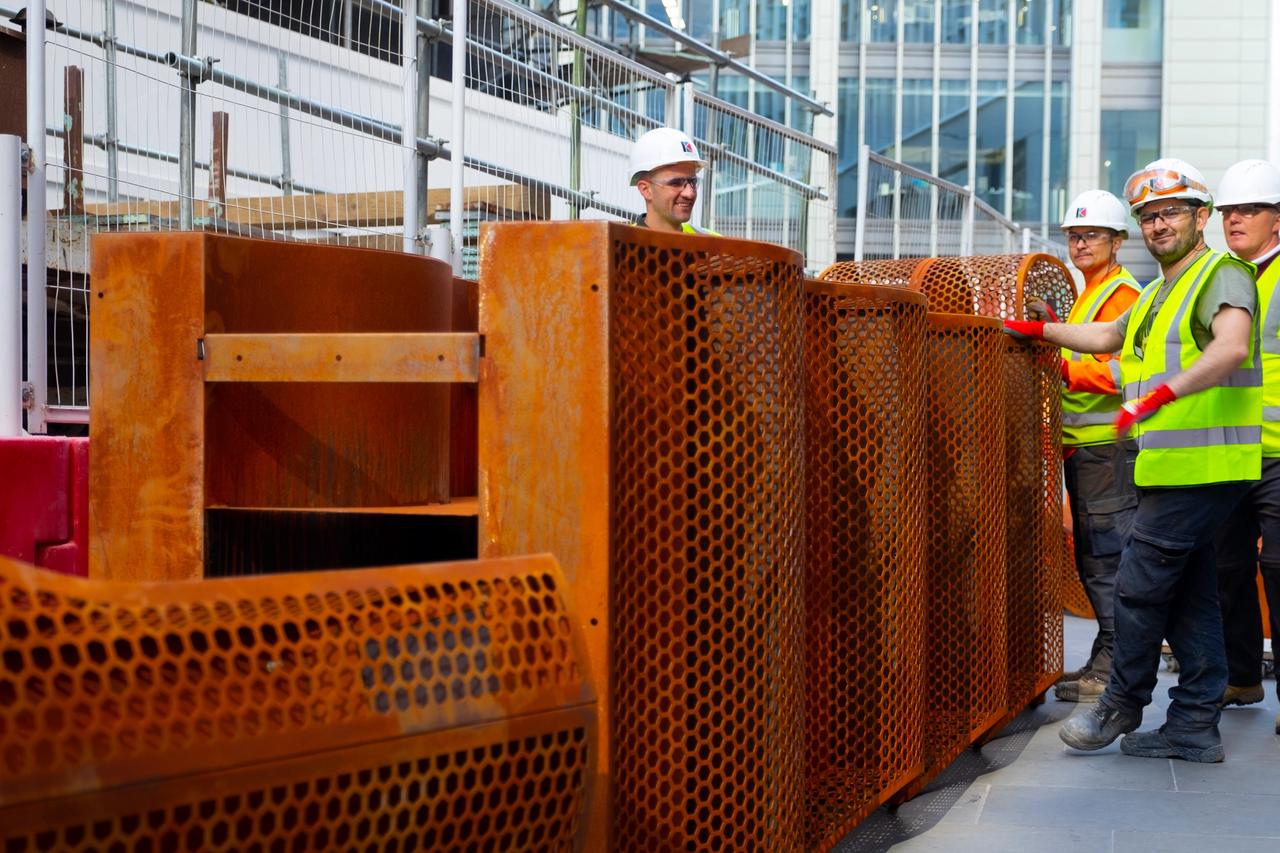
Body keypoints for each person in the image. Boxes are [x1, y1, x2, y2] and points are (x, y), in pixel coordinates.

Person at [1004, 157, 1262, 763]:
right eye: (1149, 216)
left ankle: (1122, 702)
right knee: (1191, 596)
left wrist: (1161, 395)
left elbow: (1231, 347)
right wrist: (1037, 333)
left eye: (1171, 212)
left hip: (1204, 471)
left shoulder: (1222, 274)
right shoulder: (1156, 293)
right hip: (1167, 470)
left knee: (1138, 585)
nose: (1159, 224)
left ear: (1201, 217)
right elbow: (1106, 338)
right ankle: (1193, 726)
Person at [1036, 191, 1142, 703]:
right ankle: (1107, 656)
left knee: (1105, 560)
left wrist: (1061, 366)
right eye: (1074, 236)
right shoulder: (1090, 293)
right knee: (1094, 559)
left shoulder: (1121, 294)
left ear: (1116, 241)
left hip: (1106, 448)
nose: (1080, 244)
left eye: (1092, 235)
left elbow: (1121, 371)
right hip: (1086, 448)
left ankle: (1115, 667)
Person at [1211, 159, 1280, 730]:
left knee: (1278, 568)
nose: (1235, 219)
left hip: (1278, 452)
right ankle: (1241, 676)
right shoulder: (1220, 277)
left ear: (1276, 219)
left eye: (1249, 210)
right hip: (1229, 449)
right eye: (1228, 211)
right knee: (1227, 566)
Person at [629, 127, 718, 235]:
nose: (689, 194)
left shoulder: (713, 242)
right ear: (646, 189)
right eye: (676, 183)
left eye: (693, 182)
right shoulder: (620, 242)